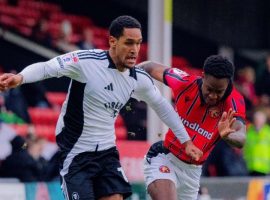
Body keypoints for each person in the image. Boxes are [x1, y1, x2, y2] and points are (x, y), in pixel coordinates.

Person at [0, 15, 201, 200]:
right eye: (129, 42)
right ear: (112, 42)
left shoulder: (138, 79)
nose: (135, 50)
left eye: (138, 43)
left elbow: (162, 107)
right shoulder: (86, 62)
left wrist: (186, 141)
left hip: (106, 151)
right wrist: (20, 78)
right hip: (75, 152)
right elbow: (47, 67)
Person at [139, 55, 246, 200]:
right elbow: (149, 66)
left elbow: (241, 137)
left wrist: (228, 135)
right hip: (165, 157)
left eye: (219, 91)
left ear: (228, 85)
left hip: (193, 172)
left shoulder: (234, 101)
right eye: (209, 89)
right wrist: (124, 78)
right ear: (203, 76)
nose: (213, 96)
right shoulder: (184, 83)